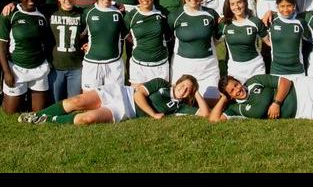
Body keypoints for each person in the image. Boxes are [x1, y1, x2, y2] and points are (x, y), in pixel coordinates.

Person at [18, 74, 210, 124]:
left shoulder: (177, 108)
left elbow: (204, 114)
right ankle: (36, 115)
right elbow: (138, 94)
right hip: (121, 93)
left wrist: (197, 92)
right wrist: (154, 114)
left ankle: (48, 119)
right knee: (75, 102)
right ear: (177, 82)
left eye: (188, 90)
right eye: (183, 85)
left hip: (126, 111)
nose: (184, 90)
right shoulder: (161, 83)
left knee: (85, 119)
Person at [0, 0, 51, 113]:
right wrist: (7, 73)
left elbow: (47, 42)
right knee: (10, 112)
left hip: (38, 68)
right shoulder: (9, 15)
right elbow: (2, 47)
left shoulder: (42, 15)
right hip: (16, 68)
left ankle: (28, 95)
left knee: (38, 112)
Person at [167, 0, 221, 104]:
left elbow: (217, 38)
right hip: (183, 65)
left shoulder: (211, 14)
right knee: (178, 101)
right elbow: (168, 38)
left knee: (213, 102)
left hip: (208, 66)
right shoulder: (175, 16)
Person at [81, 0, 128, 90]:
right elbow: (79, 34)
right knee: (90, 100)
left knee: (114, 101)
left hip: (114, 64)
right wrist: (82, 44)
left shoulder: (119, 13)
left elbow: (127, 35)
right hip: (92, 64)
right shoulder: (88, 13)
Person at [124, 0, 170, 86]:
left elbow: (168, 35)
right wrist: (136, 42)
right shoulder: (132, 15)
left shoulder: (162, 13)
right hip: (139, 66)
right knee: (137, 98)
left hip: (160, 66)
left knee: (160, 99)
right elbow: (123, 32)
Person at [219, 0, 270, 84]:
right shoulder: (225, 24)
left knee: (259, 96)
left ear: (245, 3)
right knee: (238, 97)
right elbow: (214, 42)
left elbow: (269, 42)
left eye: (239, 2)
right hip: (235, 68)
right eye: (232, 4)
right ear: (229, 6)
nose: (237, 7)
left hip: (255, 66)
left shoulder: (255, 22)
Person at [48, 0, 86, 102]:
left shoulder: (81, 15)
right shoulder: (50, 13)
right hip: (56, 66)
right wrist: (13, 4)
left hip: (76, 67)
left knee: (73, 104)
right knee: (54, 102)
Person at [266, 0, 310, 79]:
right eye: (282, 6)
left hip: (297, 70)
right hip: (277, 71)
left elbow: (308, 38)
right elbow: (261, 33)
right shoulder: (271, 20)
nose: (285, 10)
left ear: (294, 6)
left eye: (289, 5)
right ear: (277, 6)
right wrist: (268, 42)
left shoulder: (301, 21)